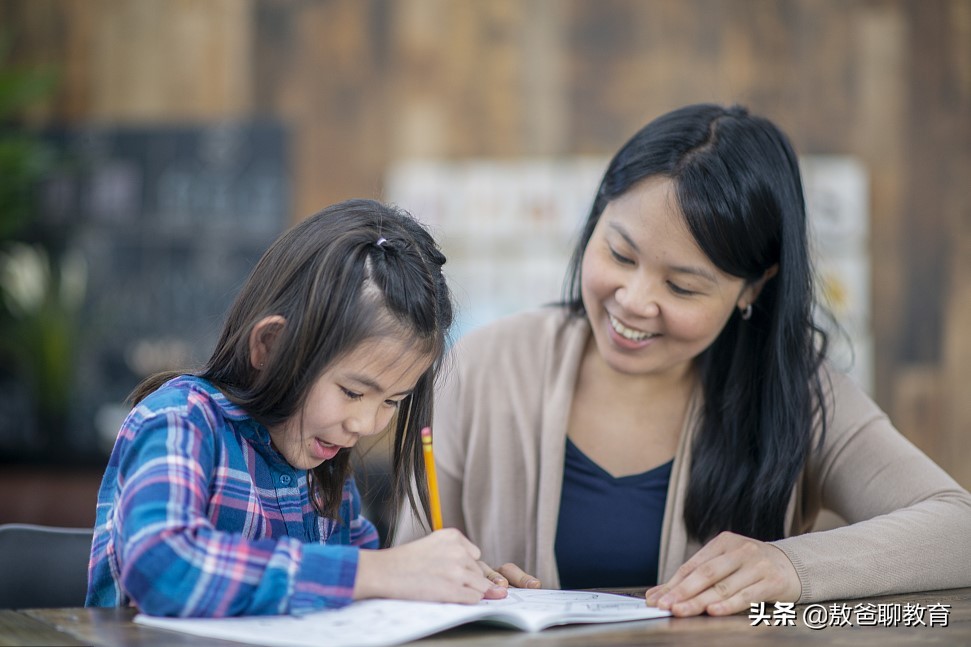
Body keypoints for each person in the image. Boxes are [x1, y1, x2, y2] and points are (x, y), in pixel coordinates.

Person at [394, 104, 971, 616]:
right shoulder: (484, 364)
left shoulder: (797, 392)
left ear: (752, 289)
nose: (635, 301)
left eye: (684, 287)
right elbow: (406, 566)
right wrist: (458, 581)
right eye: (620, 253)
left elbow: (959, 529)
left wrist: (790, 568)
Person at [86, 199, 508, 617]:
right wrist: (377, 572)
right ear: (271, 346)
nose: (365, 424)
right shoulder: (180, 421)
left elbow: (367, 602)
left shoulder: (326, 478)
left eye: (393, 401)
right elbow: (161, 567)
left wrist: (448, 582)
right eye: (352, 392)